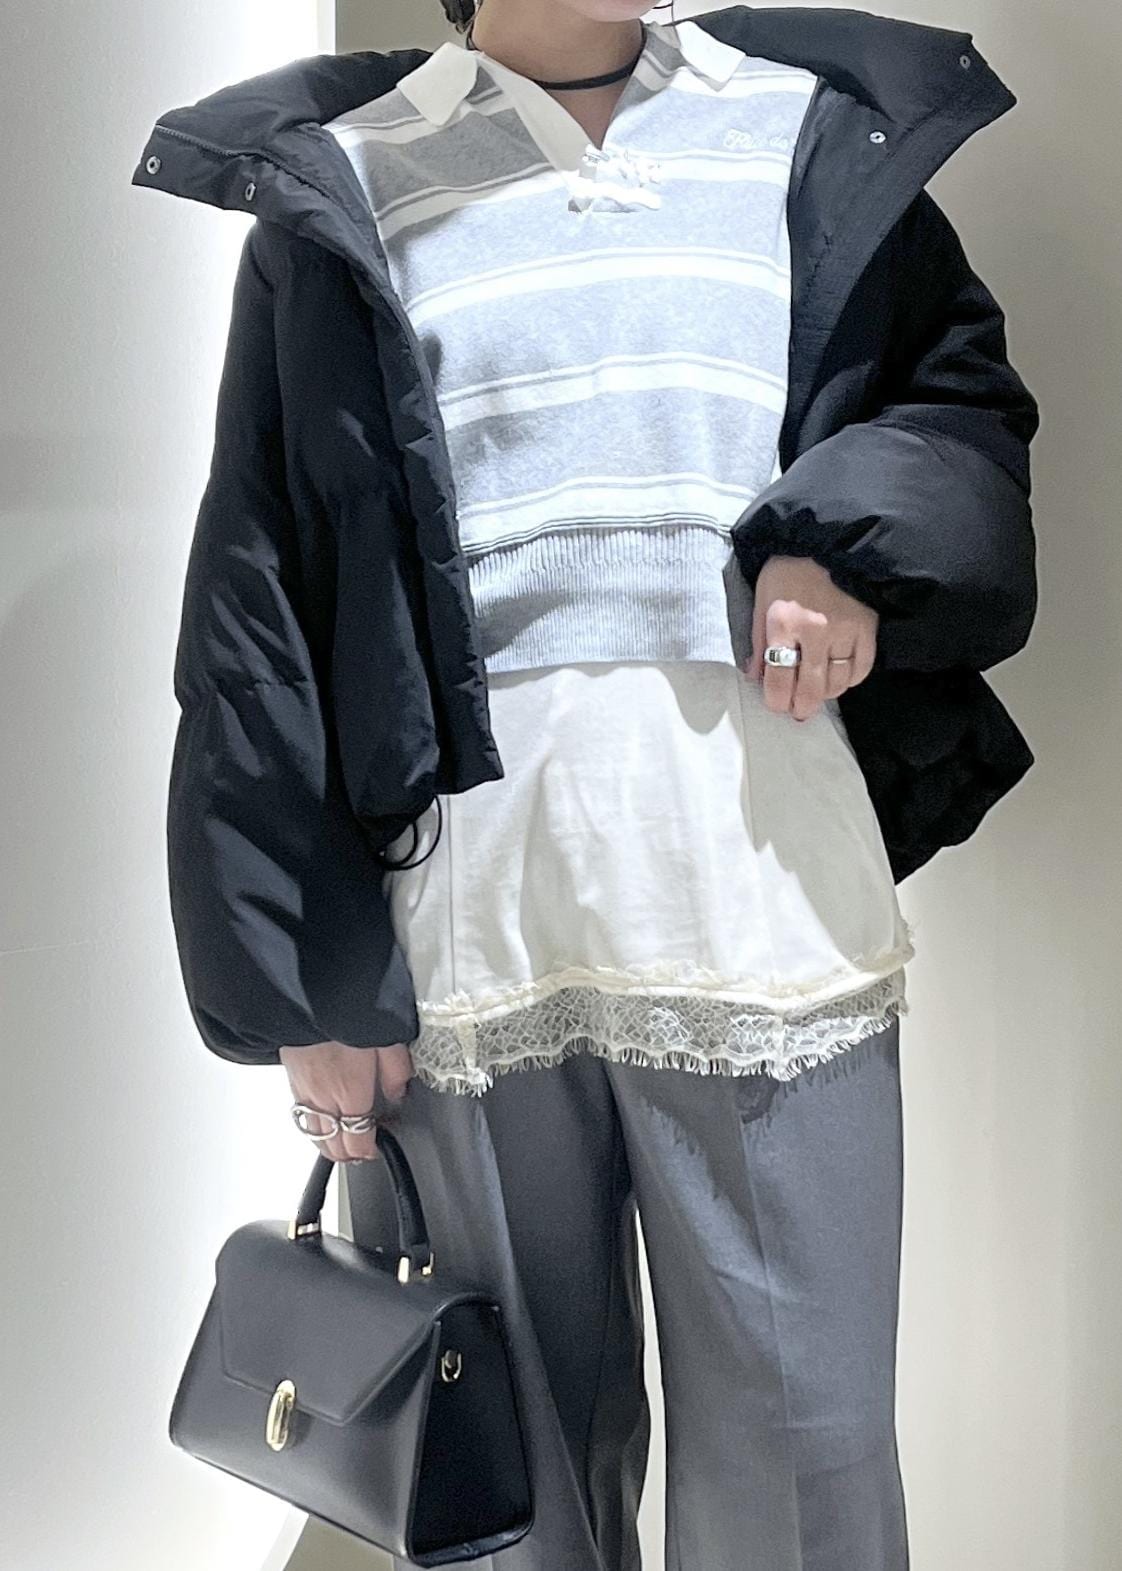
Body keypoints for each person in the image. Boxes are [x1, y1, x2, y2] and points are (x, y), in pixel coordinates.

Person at [132, 2, 1039, 1565]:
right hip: (462, 937)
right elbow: (257, 604)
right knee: (505, 1484)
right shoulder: (348, 175)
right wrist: (305, 986)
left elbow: (950, 405)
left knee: (805, 1466)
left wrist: (838, 547)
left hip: (759, 903)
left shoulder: (805, 126)